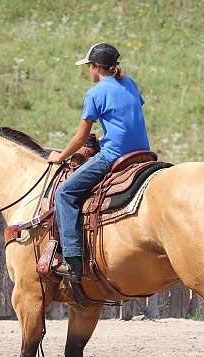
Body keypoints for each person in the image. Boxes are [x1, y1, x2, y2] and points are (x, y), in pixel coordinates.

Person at [47, 42, 150, 286]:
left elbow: (81, 137)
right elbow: (127, 119)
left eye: (89, 67)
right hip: (143, 152)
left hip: (115, 155)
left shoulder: (95, 93)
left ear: (95, 67)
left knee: (64, 193)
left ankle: (72, 260)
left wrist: (60, 157)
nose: (88, 72)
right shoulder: (130, 83)